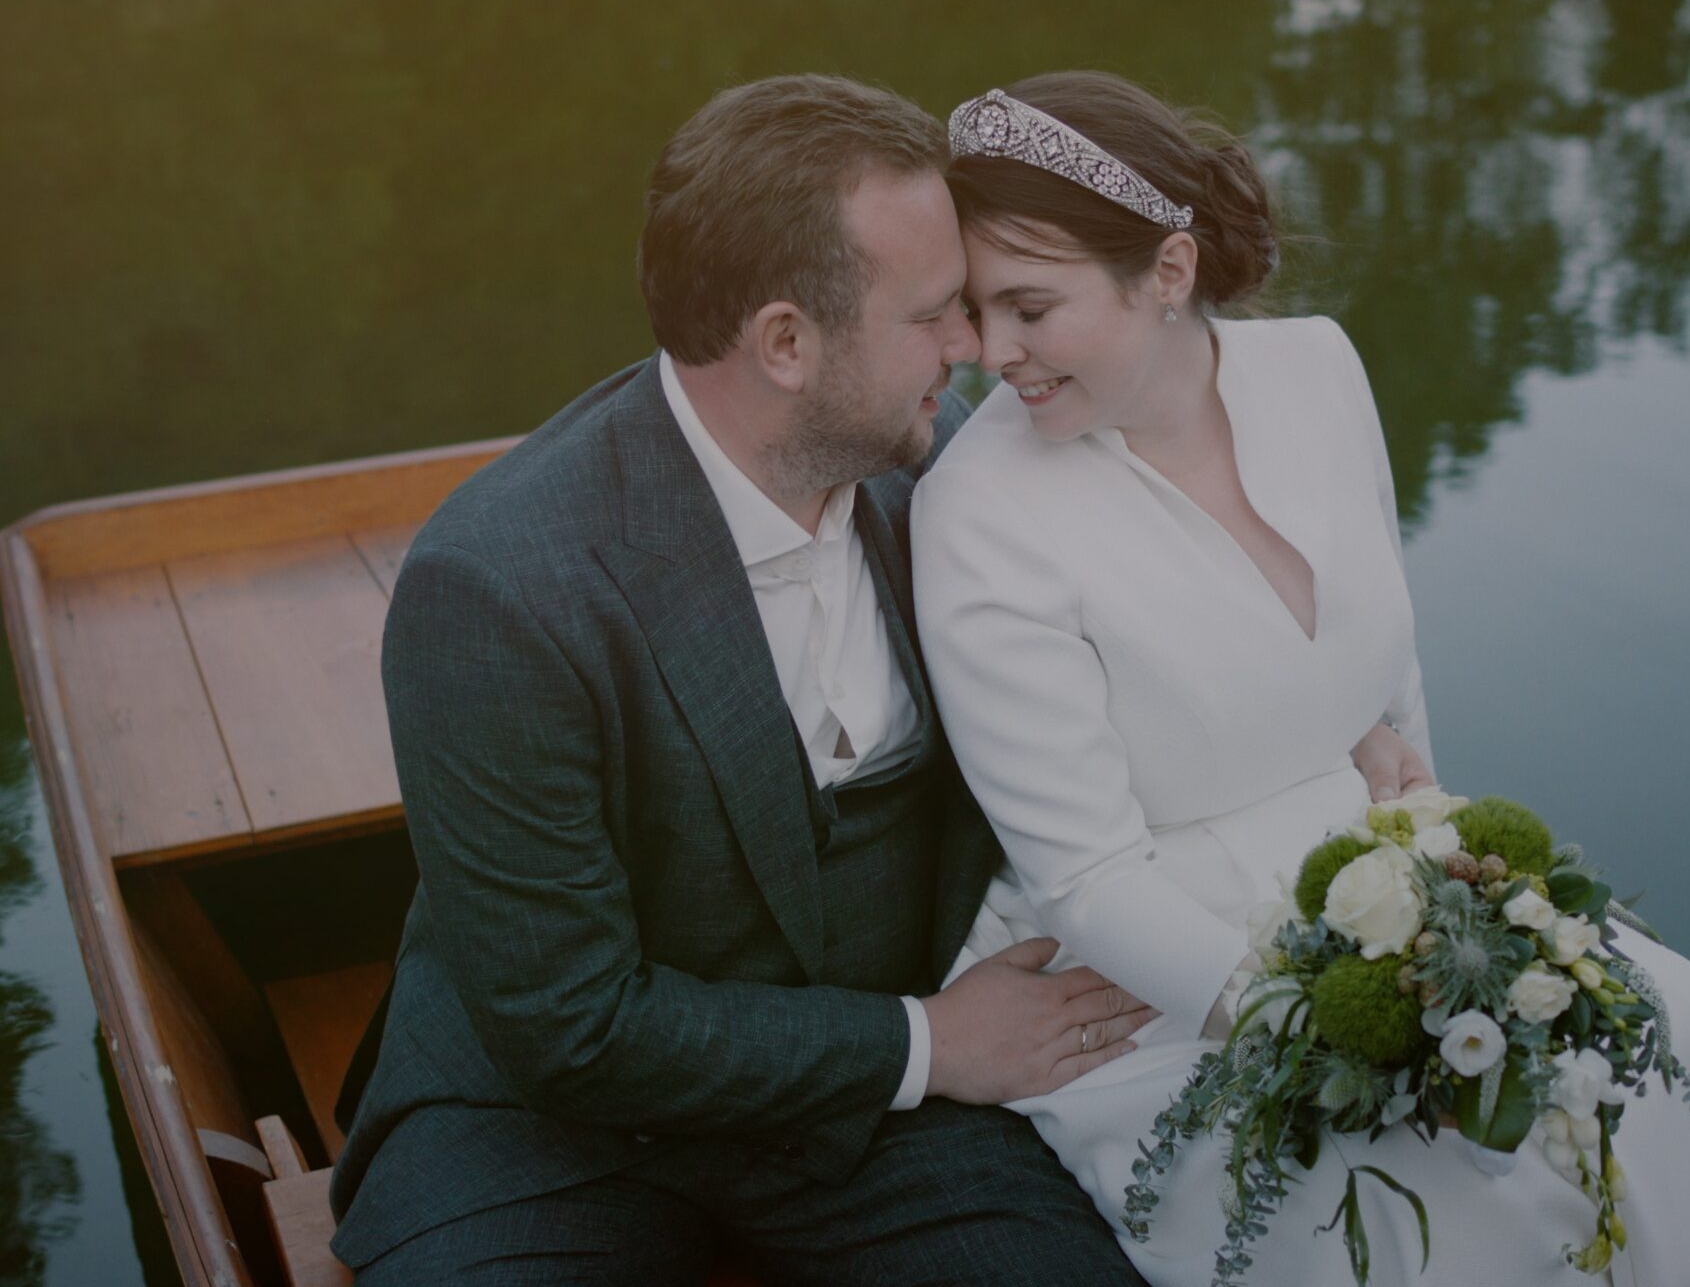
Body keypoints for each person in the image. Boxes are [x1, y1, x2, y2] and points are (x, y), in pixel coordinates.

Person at [912, 72, 1690, 1286]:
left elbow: (1388, 661)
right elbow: (1090, 879)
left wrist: (1430, 849)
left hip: (1362, 867)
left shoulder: (1316, 368)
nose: (990, 355)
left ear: (1166, 271)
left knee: (1682, 1027)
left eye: (1028, 308)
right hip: (1146, 969)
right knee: (1426, 1204)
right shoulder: (978, 511)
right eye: (971, 311)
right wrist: (1326, 1035)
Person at [327, 75, 1156, 1285]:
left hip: (880, 1132)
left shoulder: (957, 475)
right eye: (932, 315)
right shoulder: (499, 590)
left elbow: (1151, 638)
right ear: (783, 342)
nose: (974, 347)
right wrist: (929, 1043)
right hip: (552, 1132)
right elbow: (570, 1025)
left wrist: (1331, 735)